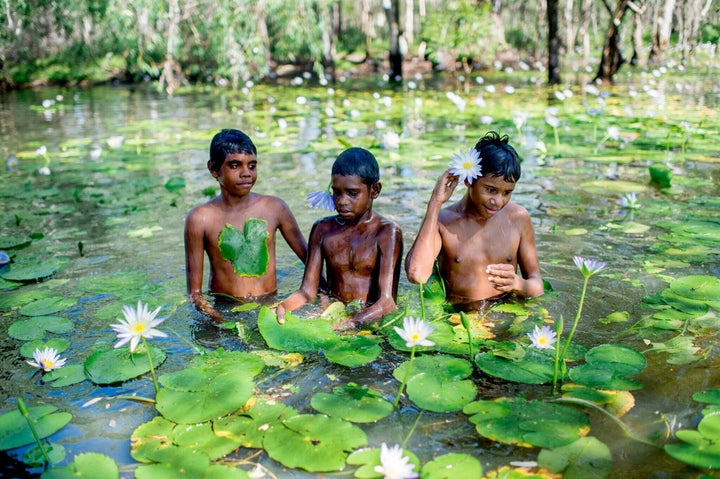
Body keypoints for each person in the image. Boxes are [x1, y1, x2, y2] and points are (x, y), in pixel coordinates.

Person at [405, 131, 543, 311]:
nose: (498, 201)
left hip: (504, 313)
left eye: (507, 192)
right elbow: (417, 275)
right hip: (460, 318)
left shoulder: (518, 218)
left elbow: (537, 286)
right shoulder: (443, 222)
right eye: (491, 190)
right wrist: (435, 204)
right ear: (469, 180)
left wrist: (518, 284)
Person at [185, 129, 308, 322]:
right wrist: (222, 322)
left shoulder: (275, 208)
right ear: (214, 169)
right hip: (225, 309)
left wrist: (313, 298)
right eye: (235, 165)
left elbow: (312, 265)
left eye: (252, 166)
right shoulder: (200, 219)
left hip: (272, 305)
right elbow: (195, 295)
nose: (246, 173)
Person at [275, 147, 403, 330]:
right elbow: (307, 292)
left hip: (372, 321)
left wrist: (353, 322)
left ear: (375, 190)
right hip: (333, 314)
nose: (342, 201)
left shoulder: (387, 233)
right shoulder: (322, 230)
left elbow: (387, 303)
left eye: (352, 193)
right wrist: (283, 307)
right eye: (337, 192)